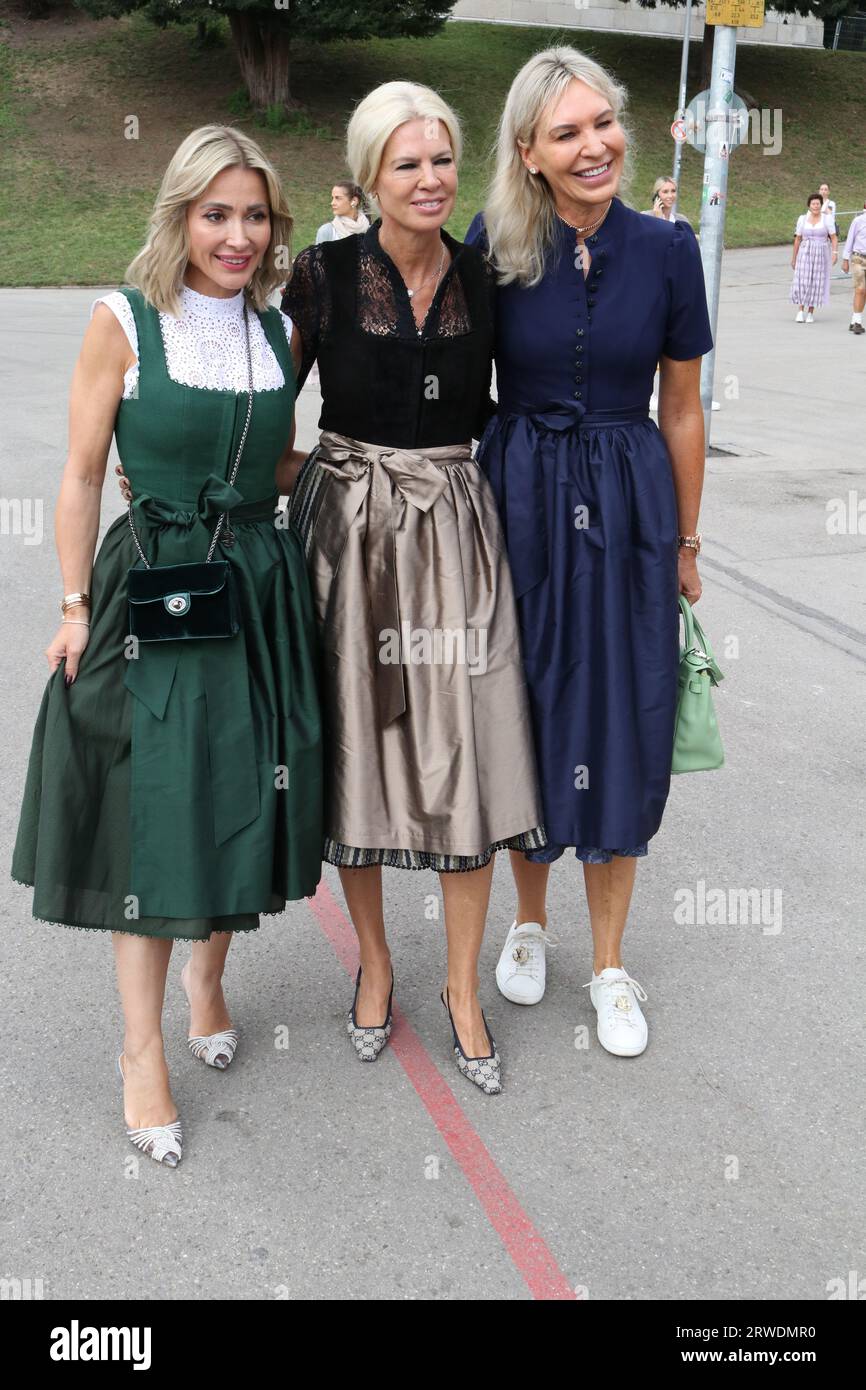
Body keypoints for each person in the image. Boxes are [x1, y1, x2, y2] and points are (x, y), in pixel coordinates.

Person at [12, 125, 324, 1167]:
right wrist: (69, 602)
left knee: (243, 792)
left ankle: (208, 977)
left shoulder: (276, 333)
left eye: (254, 216)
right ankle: (140, 1051)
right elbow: (81, 470)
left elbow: (272, 462)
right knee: (156, 812)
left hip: (255, 587)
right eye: (215, 213)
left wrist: (354, 469)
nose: (237, 236)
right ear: (180, 214)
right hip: (154, 583)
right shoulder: (126, 320)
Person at [282, 82, 546, 1095]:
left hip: (455, 533)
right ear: (366, 179)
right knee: (358, 750)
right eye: (407, 163)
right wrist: (279, 474)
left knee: (465, 759)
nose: (430, 179)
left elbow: (527, 403)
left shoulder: (488, 275)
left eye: (441, 159)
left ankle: (461, 987)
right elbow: (265, 402)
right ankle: (375, 963)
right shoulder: (321, 273)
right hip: (346, 533)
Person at [465, 46, 713, 1057]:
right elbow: (436, 373)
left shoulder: (665, 248)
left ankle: (609, 963)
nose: (593, 144)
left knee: (619, 716)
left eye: (602, 122)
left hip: (626, 501)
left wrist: (687, 542)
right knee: (523, 713)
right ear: (527, 151)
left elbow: (684, 409)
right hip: (516, 494)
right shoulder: (494, 242)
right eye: (564, 132)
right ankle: (529, 923)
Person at [791, 193, 838, 323]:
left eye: (818, 204)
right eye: (813, 204)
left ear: (821, 205)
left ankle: (811, 312)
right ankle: (800, 310)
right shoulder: (802, 218)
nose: (816, 206)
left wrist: (835, 253)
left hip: (820, 253)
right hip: (804, 252)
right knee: (803, 281)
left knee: (815, 282)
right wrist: (793, 258)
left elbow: (833, 237)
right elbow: (797, 239)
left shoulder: (827, 219)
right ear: (809, 205)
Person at [841, 200, 866, 336]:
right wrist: (845, 259)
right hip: (858, 258)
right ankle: (857, 322)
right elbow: (849, 239)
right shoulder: (858, 221)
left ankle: (854, 318)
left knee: (865, 291)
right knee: (860, 289)